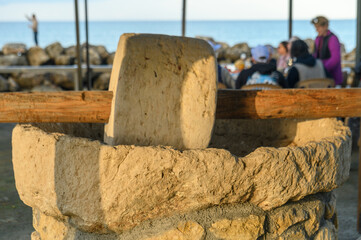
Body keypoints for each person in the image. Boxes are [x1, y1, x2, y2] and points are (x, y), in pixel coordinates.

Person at [311, 16, 342, 85]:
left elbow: (335, 59)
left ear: (325, 26)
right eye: (316, 28)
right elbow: (315, 55)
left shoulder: (332, 39)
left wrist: (322, 69)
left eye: (318, 27)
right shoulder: (318, 39)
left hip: (332, 77)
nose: (316, 30)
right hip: (321, 75)